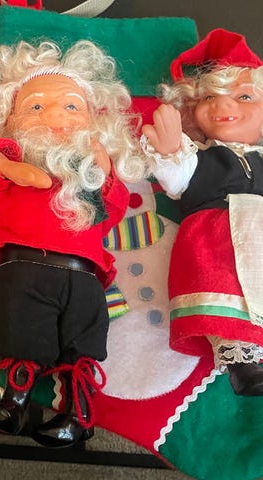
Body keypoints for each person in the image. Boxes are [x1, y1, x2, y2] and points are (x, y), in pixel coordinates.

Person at [0, 40, 145, 447]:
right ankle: (15, 400)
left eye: (71, 106)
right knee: (19, 329)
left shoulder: (93, 173)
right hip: (22, 267)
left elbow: (112, 211)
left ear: (92, 122)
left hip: (84, 274)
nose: (54, 115)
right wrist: (6, 165)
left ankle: (78, 414)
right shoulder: (11, 156)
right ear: (9, 119)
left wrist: (105, 172)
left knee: (81, 342)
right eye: (35, 106)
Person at [141, 28, 263, 396]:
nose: (224, 107)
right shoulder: (199, 158)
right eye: (210, 97)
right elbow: (179, 177)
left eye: (243, 96)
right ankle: (244, 366)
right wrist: (168, 151)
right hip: (214, 245)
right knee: (227, 304)